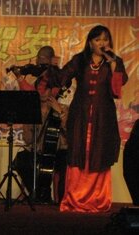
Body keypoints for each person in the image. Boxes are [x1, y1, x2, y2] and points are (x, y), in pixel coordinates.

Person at [58, 25, 128, 212]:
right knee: (79, 151)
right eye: (98, 40)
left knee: (98, 152)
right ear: (90, 43)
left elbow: (117, 89)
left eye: (105, 39)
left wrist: (113, 65)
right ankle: (74, 198)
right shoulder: (79, 60)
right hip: (80, 116)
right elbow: (61, 77)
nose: (102, 43)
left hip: (102, 117)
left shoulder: (114, 61)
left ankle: (98, 198)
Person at [13, 46, 68, 204]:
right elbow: (28, 140)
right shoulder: (33, 108)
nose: (39, 61)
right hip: (39, 148)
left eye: (43, 58)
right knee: (22, 159)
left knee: (64, 160)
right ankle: (39, 193)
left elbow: (69, 131)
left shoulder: (62, 104)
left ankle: (58, 197)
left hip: (58, 148)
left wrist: (59, 112)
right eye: (38, 57)